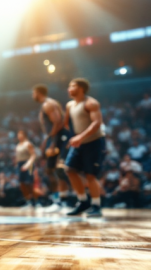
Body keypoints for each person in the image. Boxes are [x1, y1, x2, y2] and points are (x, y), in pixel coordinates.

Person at [63, 78, 106, 217]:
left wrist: (80, 137)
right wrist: (73, 137)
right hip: (78, 142)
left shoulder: (91, 103)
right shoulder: (69, 105)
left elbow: (97, 123)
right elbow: (67, 123)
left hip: (93, 142)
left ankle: (96, 205)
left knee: (90, 175)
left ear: (81, 88)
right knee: (69, 169)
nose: (69, 89)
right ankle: (83, 201)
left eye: (72, 86)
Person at [32, 84, 71, 211]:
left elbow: (58, 122)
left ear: (38, 93)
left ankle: (62, 201)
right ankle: (59, 200)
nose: (32, 96)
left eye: (33, 93)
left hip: (58, 139)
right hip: (55, 138)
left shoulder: (48, 104)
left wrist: (51, 140)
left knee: (58, 170)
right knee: (51, 170)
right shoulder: (48, 104)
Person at [16, 130, 37, 208]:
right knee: (22, 183)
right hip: (20, 164)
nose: (18, 136)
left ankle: (34, 201)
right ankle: (28, 200)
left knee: (29, 182)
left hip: (28, 164)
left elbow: (33, 155)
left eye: (20, 134)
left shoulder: (28, 144)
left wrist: (27, 164)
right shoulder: (18, 145)